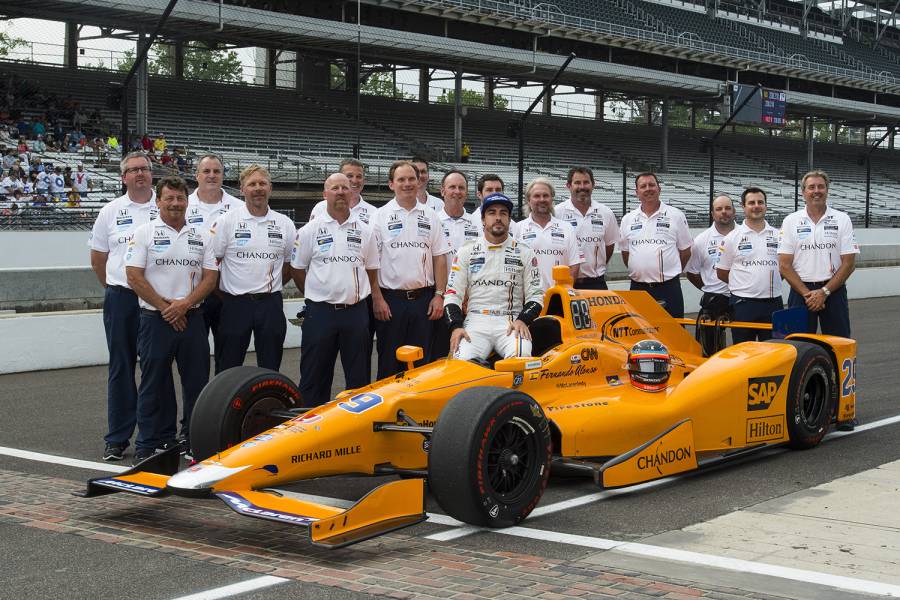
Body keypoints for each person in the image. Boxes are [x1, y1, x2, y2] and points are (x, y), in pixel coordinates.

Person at [125, 176, 217, 463]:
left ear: (187, 202)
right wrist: (167, 308)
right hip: (155, 320)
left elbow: (210, 278)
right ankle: (149, 443)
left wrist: (185, 304)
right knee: (153, 384)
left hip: (193, 319)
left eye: (180, 198)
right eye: (169, 198)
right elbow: (133, 276)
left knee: (197, 384)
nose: (175, 203)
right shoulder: (143, 233)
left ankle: (193, 440)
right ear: (158, 201)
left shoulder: (202, 235)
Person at [89, 151, 158, 462]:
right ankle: (117, 438)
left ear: (152, 174)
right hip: (122, 298)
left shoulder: (166, 206)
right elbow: (98, 258)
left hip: (157, 300)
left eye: (144, 168)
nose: (139, 174)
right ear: (123, 177)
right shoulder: (110, 211)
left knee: (156, 368)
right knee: (121, 367)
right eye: (133, 170)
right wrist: (116, 287)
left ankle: (155, 436)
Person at [291, 173, 379, 406]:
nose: (340, 192)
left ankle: (357, 424)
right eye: (335, 188)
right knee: (314, 377)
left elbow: (371, 269)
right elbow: (297, 269)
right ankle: (310, 424)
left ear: (352, 193)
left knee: (358, 379)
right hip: (320, 313)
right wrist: (315, 293)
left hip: (356, 313)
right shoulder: (309, 230)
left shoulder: (365, 230)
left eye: (345, 188)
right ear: (325, 194)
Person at [210, 165, 296, 372]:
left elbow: (289, 265)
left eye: (262, 183)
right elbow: (211, 265)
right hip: (235, 304)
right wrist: (226, 294)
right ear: (242, 189)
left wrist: (270, 284)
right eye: (252, 184)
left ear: (270, 188)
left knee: (270, 366)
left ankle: (269, 395)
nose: (258, 188)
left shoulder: (285, 223)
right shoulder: (225, 221)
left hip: (270, 304)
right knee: (228, 366)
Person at [370, 160, 449, 378]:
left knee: (422, 366)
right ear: (391, 184)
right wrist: (377, 298)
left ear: (419, 181)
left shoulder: (431, 215)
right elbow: (371, 263)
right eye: (401, 179)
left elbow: (440, 258)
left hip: (424, 302)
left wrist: (439, 295)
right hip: (390, 302)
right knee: (389, 364)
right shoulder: (379, 216)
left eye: (411, 178)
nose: (407, 183)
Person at [445, 193, 542, 361]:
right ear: (483, 219)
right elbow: (453, 294)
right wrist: (455, 327)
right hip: (476, 321)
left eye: (503, 213)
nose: (498, 218)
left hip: (511, 321)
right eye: (492, 213)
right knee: (461, 361)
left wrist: (523, 320)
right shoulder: (467, 250)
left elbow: (536, 296)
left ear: (509, 220)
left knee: (522, 357)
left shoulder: (524, 251)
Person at [779, 170, 858, 338]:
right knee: (798, 344)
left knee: (838, 343)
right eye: (811, 187)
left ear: (827, 190)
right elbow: (784, 265)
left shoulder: (842, 219)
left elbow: (849, 263)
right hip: (801, 293)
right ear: (803, 192)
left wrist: (824, 292)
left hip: (833, 291)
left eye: (821, 186)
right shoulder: (790, 221)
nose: (816, 191)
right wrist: (807, 294)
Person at [187, 154, 243, 374]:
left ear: (222, 175)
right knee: (194, 356)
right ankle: (199, 395)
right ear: (197, 175)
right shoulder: (183, 205)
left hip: (225, 292)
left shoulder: (239, 207)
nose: (211, 175)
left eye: (216, 171)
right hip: (193, 292)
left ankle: (225, 394)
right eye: (206, 171)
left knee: (228, 356)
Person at [619, 172, 692, 318]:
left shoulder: (676, 215)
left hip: (668, 288)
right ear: (637, 192)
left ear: (659, 189)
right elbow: (626, 253)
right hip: (638, 288)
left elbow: (685, 251)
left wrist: (670, 272)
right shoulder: (628, 219)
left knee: (672, 329)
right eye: (643, 186)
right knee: (639, 330)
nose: (648, 189)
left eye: (651, 185)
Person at [717, 188, 782, 343]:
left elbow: (783, 269)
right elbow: (722, 272)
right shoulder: (731, 237)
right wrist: (745, 286)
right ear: (743, 207)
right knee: (743, 353)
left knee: (774, 352)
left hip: (773, 303)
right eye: (751, 203)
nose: (756, 206)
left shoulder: (779, 235)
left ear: (766, 206)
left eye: (760, 202)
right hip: (742, 305)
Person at [431, 169, 481, 360]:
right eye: (452, 187)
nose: (457, 191)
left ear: (466, 192)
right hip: (438, 298)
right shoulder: (432, 220)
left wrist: (469, 294)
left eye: (461, 187)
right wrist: (439, 293)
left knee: (465, 354)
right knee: (437, 354)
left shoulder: (477, 224)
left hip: (469, 300)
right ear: (442, 191)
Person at [686, 195, 735, 354]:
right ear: (713, 214)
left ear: (734, 211)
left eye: (728, 208)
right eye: (719, 209)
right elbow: (692, 273)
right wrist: (708, 288)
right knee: (710, 351)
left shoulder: (745, 234)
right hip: (714, 300)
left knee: (744, 346)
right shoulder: (701, 240)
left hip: (743, 298)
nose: (724, 212)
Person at [557, 166, 619, 290]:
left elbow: (609, 246)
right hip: (566, 283)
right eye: (577, 183)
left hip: (596, 282)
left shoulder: (606, 213)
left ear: (593, 185)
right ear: (568, 186)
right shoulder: (557, 212)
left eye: (586, 182)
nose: (582, 187)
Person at [515, 177, 582, 290]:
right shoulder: (517, 228)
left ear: (551, 199)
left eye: (545, 195)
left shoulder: (567, 228)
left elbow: (574, 266)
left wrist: (561, 292)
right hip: (528, 297)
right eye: (537, 196)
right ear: (528, 200)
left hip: (558, 296)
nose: (542, 199)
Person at [309, 158, 375, 224]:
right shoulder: (321, 208)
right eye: (350, 176)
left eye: (359, 176)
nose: (354, 181)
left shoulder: (373, 212)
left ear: (363, 180)